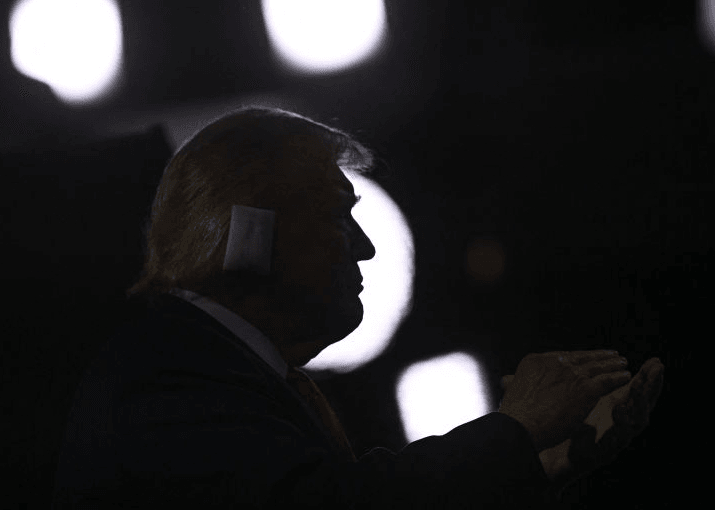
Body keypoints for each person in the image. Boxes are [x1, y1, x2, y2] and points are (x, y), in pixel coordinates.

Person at [51, 107, 665, 508]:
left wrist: (539, 464)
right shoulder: (166, 377)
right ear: (250, 237)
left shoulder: (197, 370)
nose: (368, 247)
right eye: (339, 216)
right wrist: (515, 428)